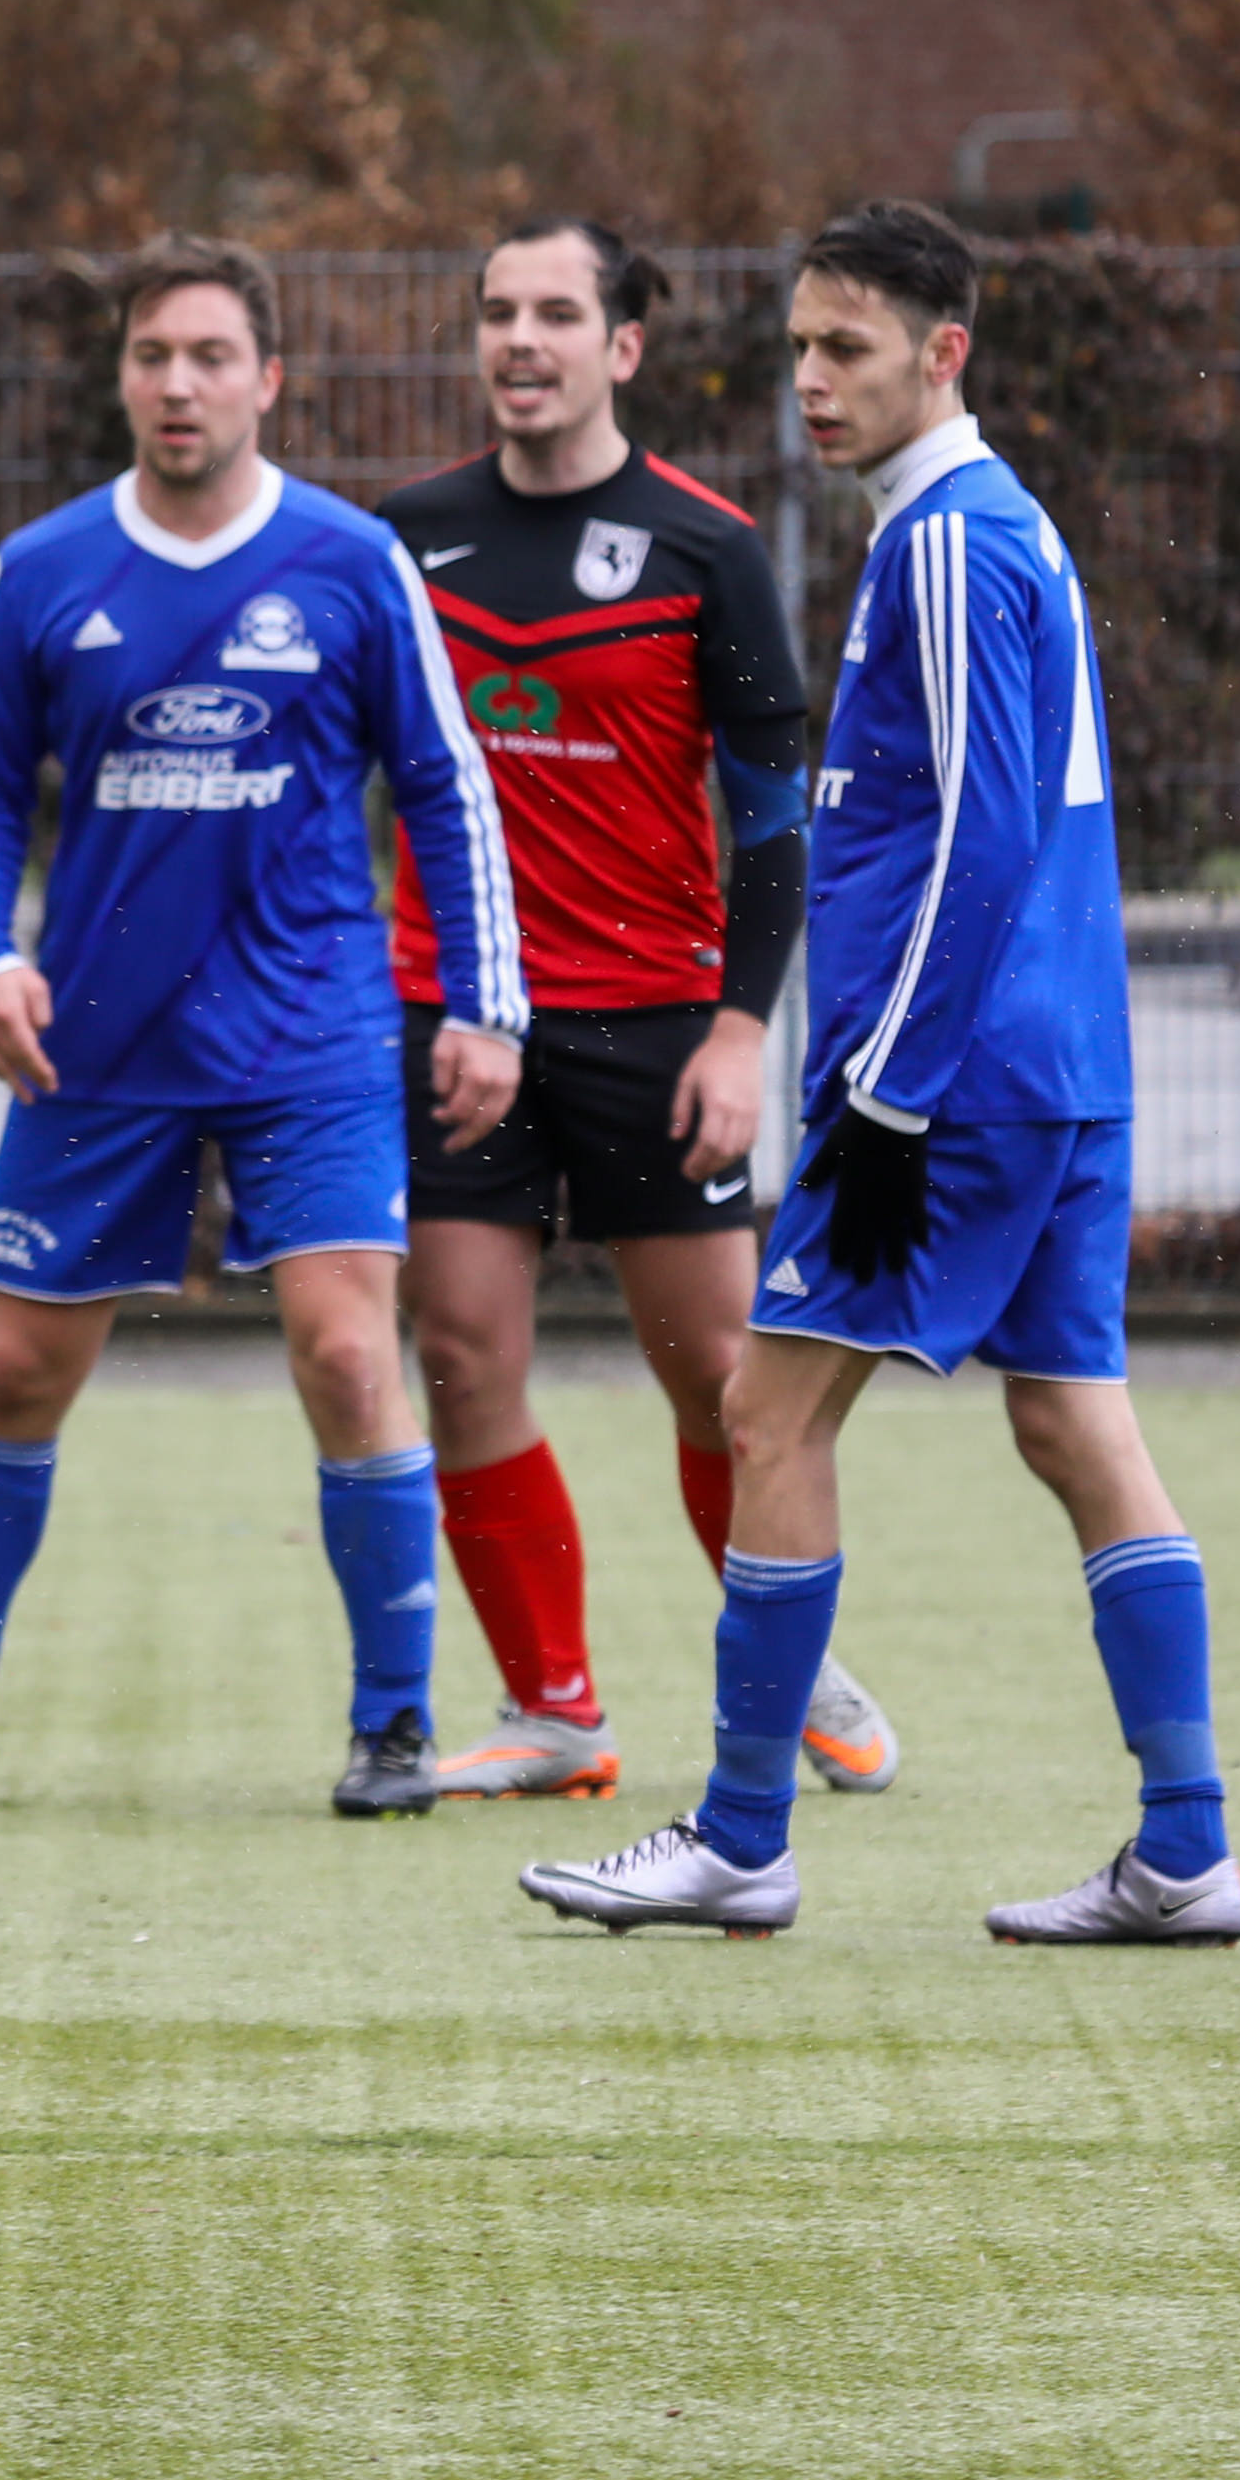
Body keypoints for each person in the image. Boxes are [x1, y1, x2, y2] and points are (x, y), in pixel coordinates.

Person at [524, 203, 1240, 1943]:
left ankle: (740, 1837)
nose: (811, 380)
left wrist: (892, 1094)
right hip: (1053, 1068)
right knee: (1071, 1418)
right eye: (797, 348)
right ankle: (1186, 1847)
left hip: (955, 1083)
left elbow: (985, 836)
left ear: (944, 354)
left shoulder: (946, 538)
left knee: (767, 1412)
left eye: (845, 348)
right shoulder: (989, 527)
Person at [0, 235, 527, 1819]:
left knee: (346, 1355)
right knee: (16, 1371)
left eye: (209, 355)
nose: (177, 384)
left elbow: (443, 786)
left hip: (307, 1034)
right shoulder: (43, 568)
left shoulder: (352, 562)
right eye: (151, 355)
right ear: (122, 377)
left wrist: (485, 1008)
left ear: (264, 380)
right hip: (96, 1039)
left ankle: (393, 1724)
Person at [373, 217, 900, 1804]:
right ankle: (551, 1713)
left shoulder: (703, 546)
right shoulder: (399, 540)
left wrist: (740, 1031)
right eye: (494, 312)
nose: (517, 340)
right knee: (459, 1356)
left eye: (554, 313)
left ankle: (791, 1664)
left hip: (656, 1023)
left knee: (722, 1378)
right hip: (456, 1013)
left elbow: (772, 826)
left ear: (621, 346)